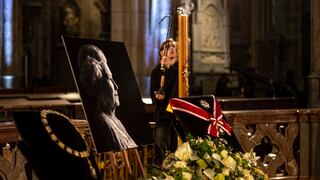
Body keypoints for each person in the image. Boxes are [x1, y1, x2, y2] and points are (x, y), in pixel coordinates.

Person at [78, 44, 137, 151]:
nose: (116, 86)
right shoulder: (104, 122)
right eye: (109, 79)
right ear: (98, 87)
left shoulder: (114, 120)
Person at [150, 39, 178, 161]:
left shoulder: (179, 72)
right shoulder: (156, 72)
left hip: (177, 118)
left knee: (178, 154)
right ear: (161, 53)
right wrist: (158, 96)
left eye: (173, 46)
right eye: (168, 47)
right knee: (163, 154)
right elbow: (154, 96)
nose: (172, 48)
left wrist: (168, 69)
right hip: (163, 117)